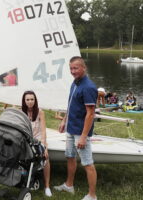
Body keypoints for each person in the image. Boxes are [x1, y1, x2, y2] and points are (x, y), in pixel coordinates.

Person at [54, 56, 98, 200]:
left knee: (87, 163)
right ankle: (69, 185)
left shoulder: (89, 87)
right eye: (71, 68)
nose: (73, 71)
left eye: (76, 68)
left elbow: (91, 114)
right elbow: (71, 104)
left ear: (83, 68)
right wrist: (64, 121)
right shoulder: (75, 83)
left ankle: (92, 195)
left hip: (80, 132)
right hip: (70, 129)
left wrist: (84, 136)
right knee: (70, 157)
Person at [21, 90, 52, 197]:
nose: (30, 102)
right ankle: (25, 179)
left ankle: (47, 186)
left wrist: (44, 146)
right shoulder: (21, 112)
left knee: (46, 158)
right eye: (27, 99)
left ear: (35, 100)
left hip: (38, 139)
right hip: (27, 139)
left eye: (32, 99)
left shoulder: (40, 112)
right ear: (24, 101)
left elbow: (43, 130)